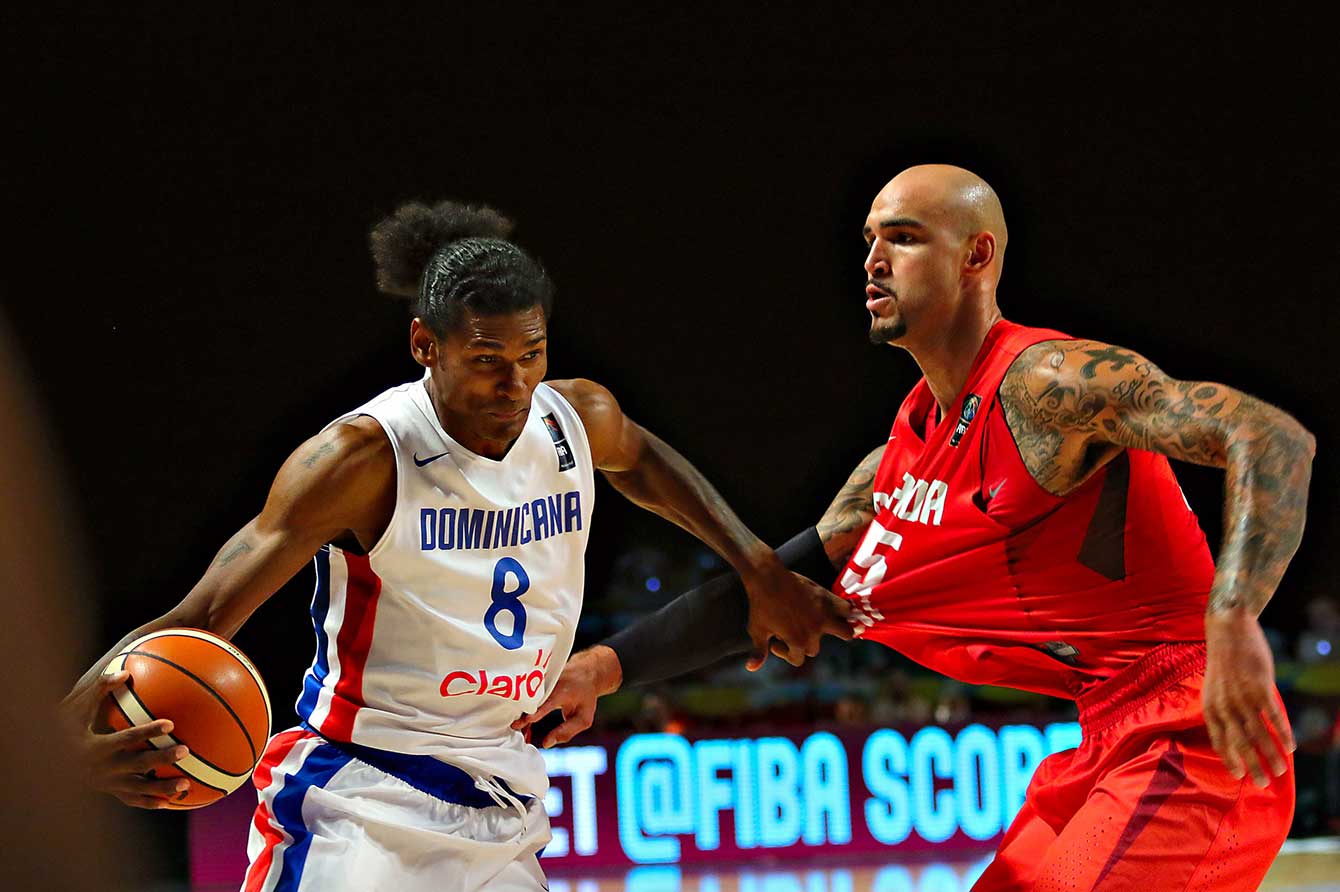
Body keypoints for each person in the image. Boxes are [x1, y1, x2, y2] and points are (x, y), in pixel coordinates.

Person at [518, 165, 1316, 891]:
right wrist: (600, 669)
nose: (872, 259)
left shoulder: (1048, 384)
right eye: (868, 239)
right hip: (1102, 741)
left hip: (1195, 735)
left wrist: (1235, 611)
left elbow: (1269, 436)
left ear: (977, 257)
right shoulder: (892, 467)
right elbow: (769, 591)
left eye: (902, 237)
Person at [60, 200, 850, 892]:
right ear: (423, 345)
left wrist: (759, 567)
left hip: (503, 792)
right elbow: (197, 616)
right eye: (484, 362)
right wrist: (62, 744)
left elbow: (644, 461)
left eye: (529, 355)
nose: (513, 385)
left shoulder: (573, 419)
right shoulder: (362, 460)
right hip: (363, 796)